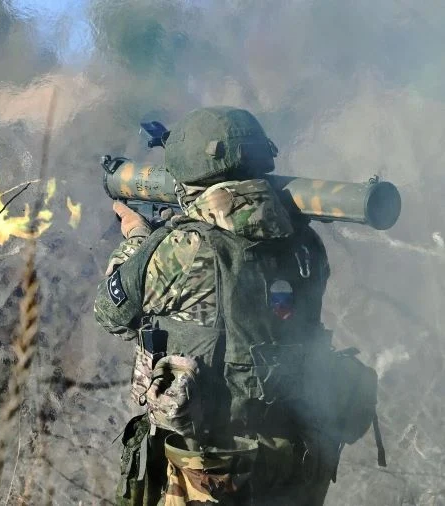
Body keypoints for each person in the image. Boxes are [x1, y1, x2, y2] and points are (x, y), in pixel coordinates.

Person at [93, 106, 379, 505]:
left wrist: (138, 239)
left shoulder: (185, 249)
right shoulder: (305, 243)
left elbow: (112, 312)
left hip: (213, 474)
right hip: (297, 462)